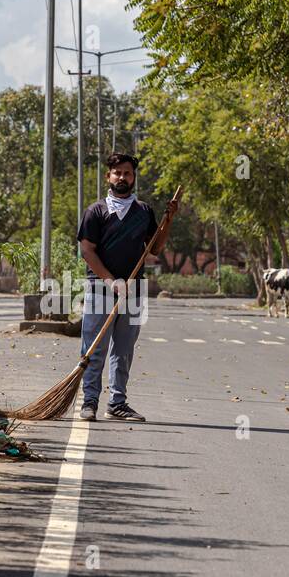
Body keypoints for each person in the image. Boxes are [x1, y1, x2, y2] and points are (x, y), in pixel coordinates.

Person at [77, 153, 164, 422]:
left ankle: (117, 403)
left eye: (127, 173)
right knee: (94, 347)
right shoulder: (96, 211)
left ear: (133, 177)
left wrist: (168, 222)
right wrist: (110, 280)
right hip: (100, 288)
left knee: (124, 349)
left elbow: (156, 248)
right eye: (117, 173)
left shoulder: (144, 211)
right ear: (108, 177)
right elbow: (87, 250)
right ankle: (89, 401)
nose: (122, 177)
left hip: (134, 290)